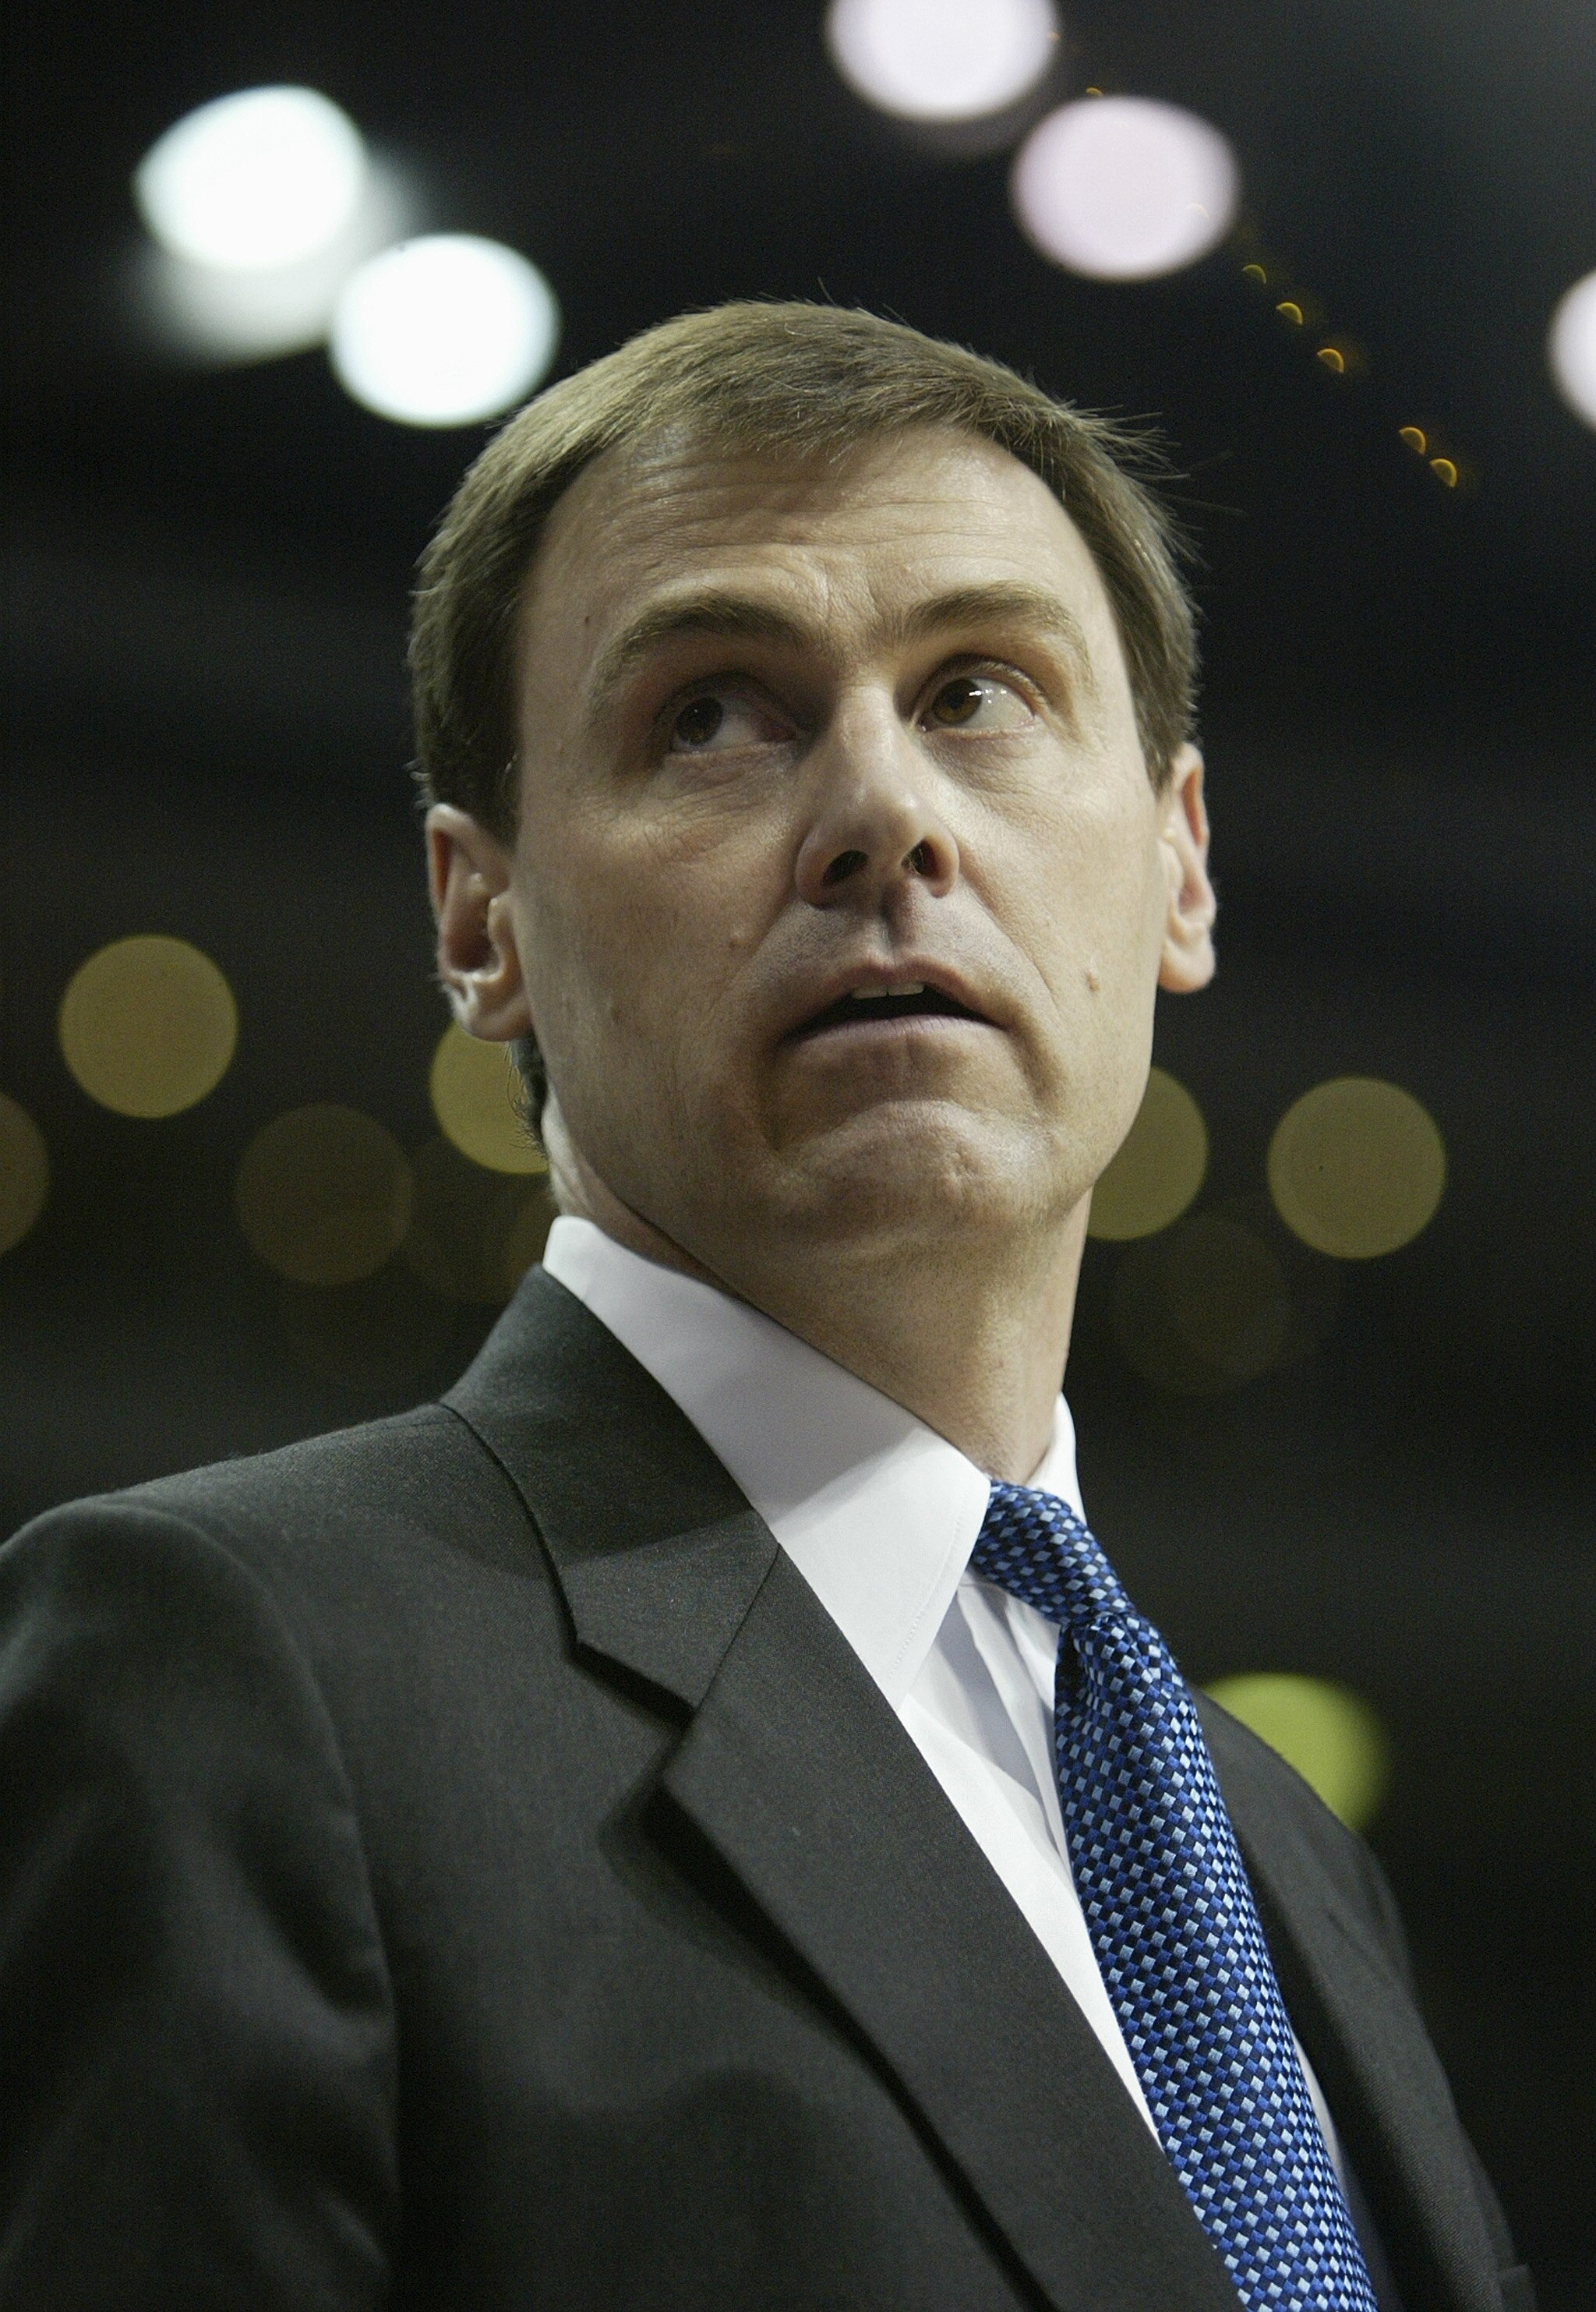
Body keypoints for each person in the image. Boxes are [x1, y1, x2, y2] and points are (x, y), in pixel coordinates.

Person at [0, 304, 1534, 2312]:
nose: (884, 813)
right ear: (481, 920)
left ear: (1179, 865)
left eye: (979, 690)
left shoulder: (1274, 1850)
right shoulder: (231, 1680)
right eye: (713, 716)